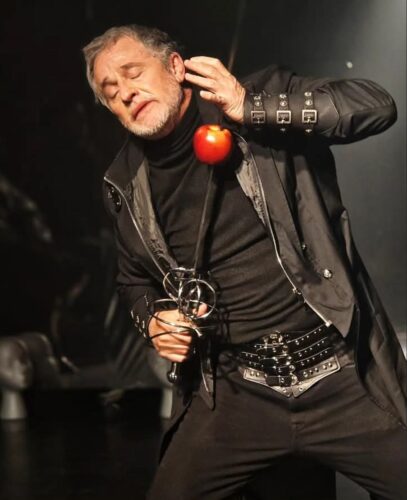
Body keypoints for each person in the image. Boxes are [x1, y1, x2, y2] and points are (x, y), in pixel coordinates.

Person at [82, 24, 407, 500]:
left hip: (341, 377)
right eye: (111, 92)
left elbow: (377, 105)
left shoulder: (259, 97)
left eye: (133, 73)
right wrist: (153, 319)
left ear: (176, 67)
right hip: (235, 392)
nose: (126, 93)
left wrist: (250, 105)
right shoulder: (126, 183)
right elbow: (132, 281)